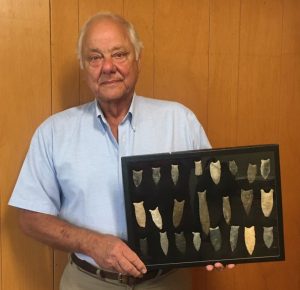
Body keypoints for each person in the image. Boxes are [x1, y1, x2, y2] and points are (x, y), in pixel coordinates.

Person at [9, 12, 234, 290]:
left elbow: (212, 198)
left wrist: (219, 240)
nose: (107, 67)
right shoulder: (54, 132)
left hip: (167, 282)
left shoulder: (179, 120)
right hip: (87, 281)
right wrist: (91, 243)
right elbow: (30, 218)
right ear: (84, 67)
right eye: (94, 57)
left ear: (137, 59)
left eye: (119, 54)